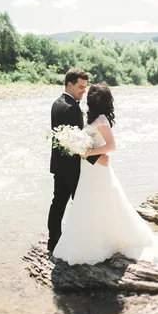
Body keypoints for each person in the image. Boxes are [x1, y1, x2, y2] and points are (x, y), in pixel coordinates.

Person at [52, 84, 158, 266]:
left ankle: (105, 240)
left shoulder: (102, 120)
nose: (86, 97)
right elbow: (92, 144)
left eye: (89, 95)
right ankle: (94, 237)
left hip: (97, 171)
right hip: (89, 170)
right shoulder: (93, 118)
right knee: (89, 202)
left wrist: (89, 153)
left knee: (102, 201)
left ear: (95, 100)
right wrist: (81, 148)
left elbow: (112, 146)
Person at [47, 69, 109, 254]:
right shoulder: (73, 108)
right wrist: (98, 158)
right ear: (69, 85)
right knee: (80, 204)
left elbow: (65, 140)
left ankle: (53, 242)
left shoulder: (56, 103)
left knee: (57, 203)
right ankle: (82, 244)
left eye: (85, 87)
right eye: (80, 87)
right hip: (73, 167)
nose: (83, 91)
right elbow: (77, 143)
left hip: (58, 164)